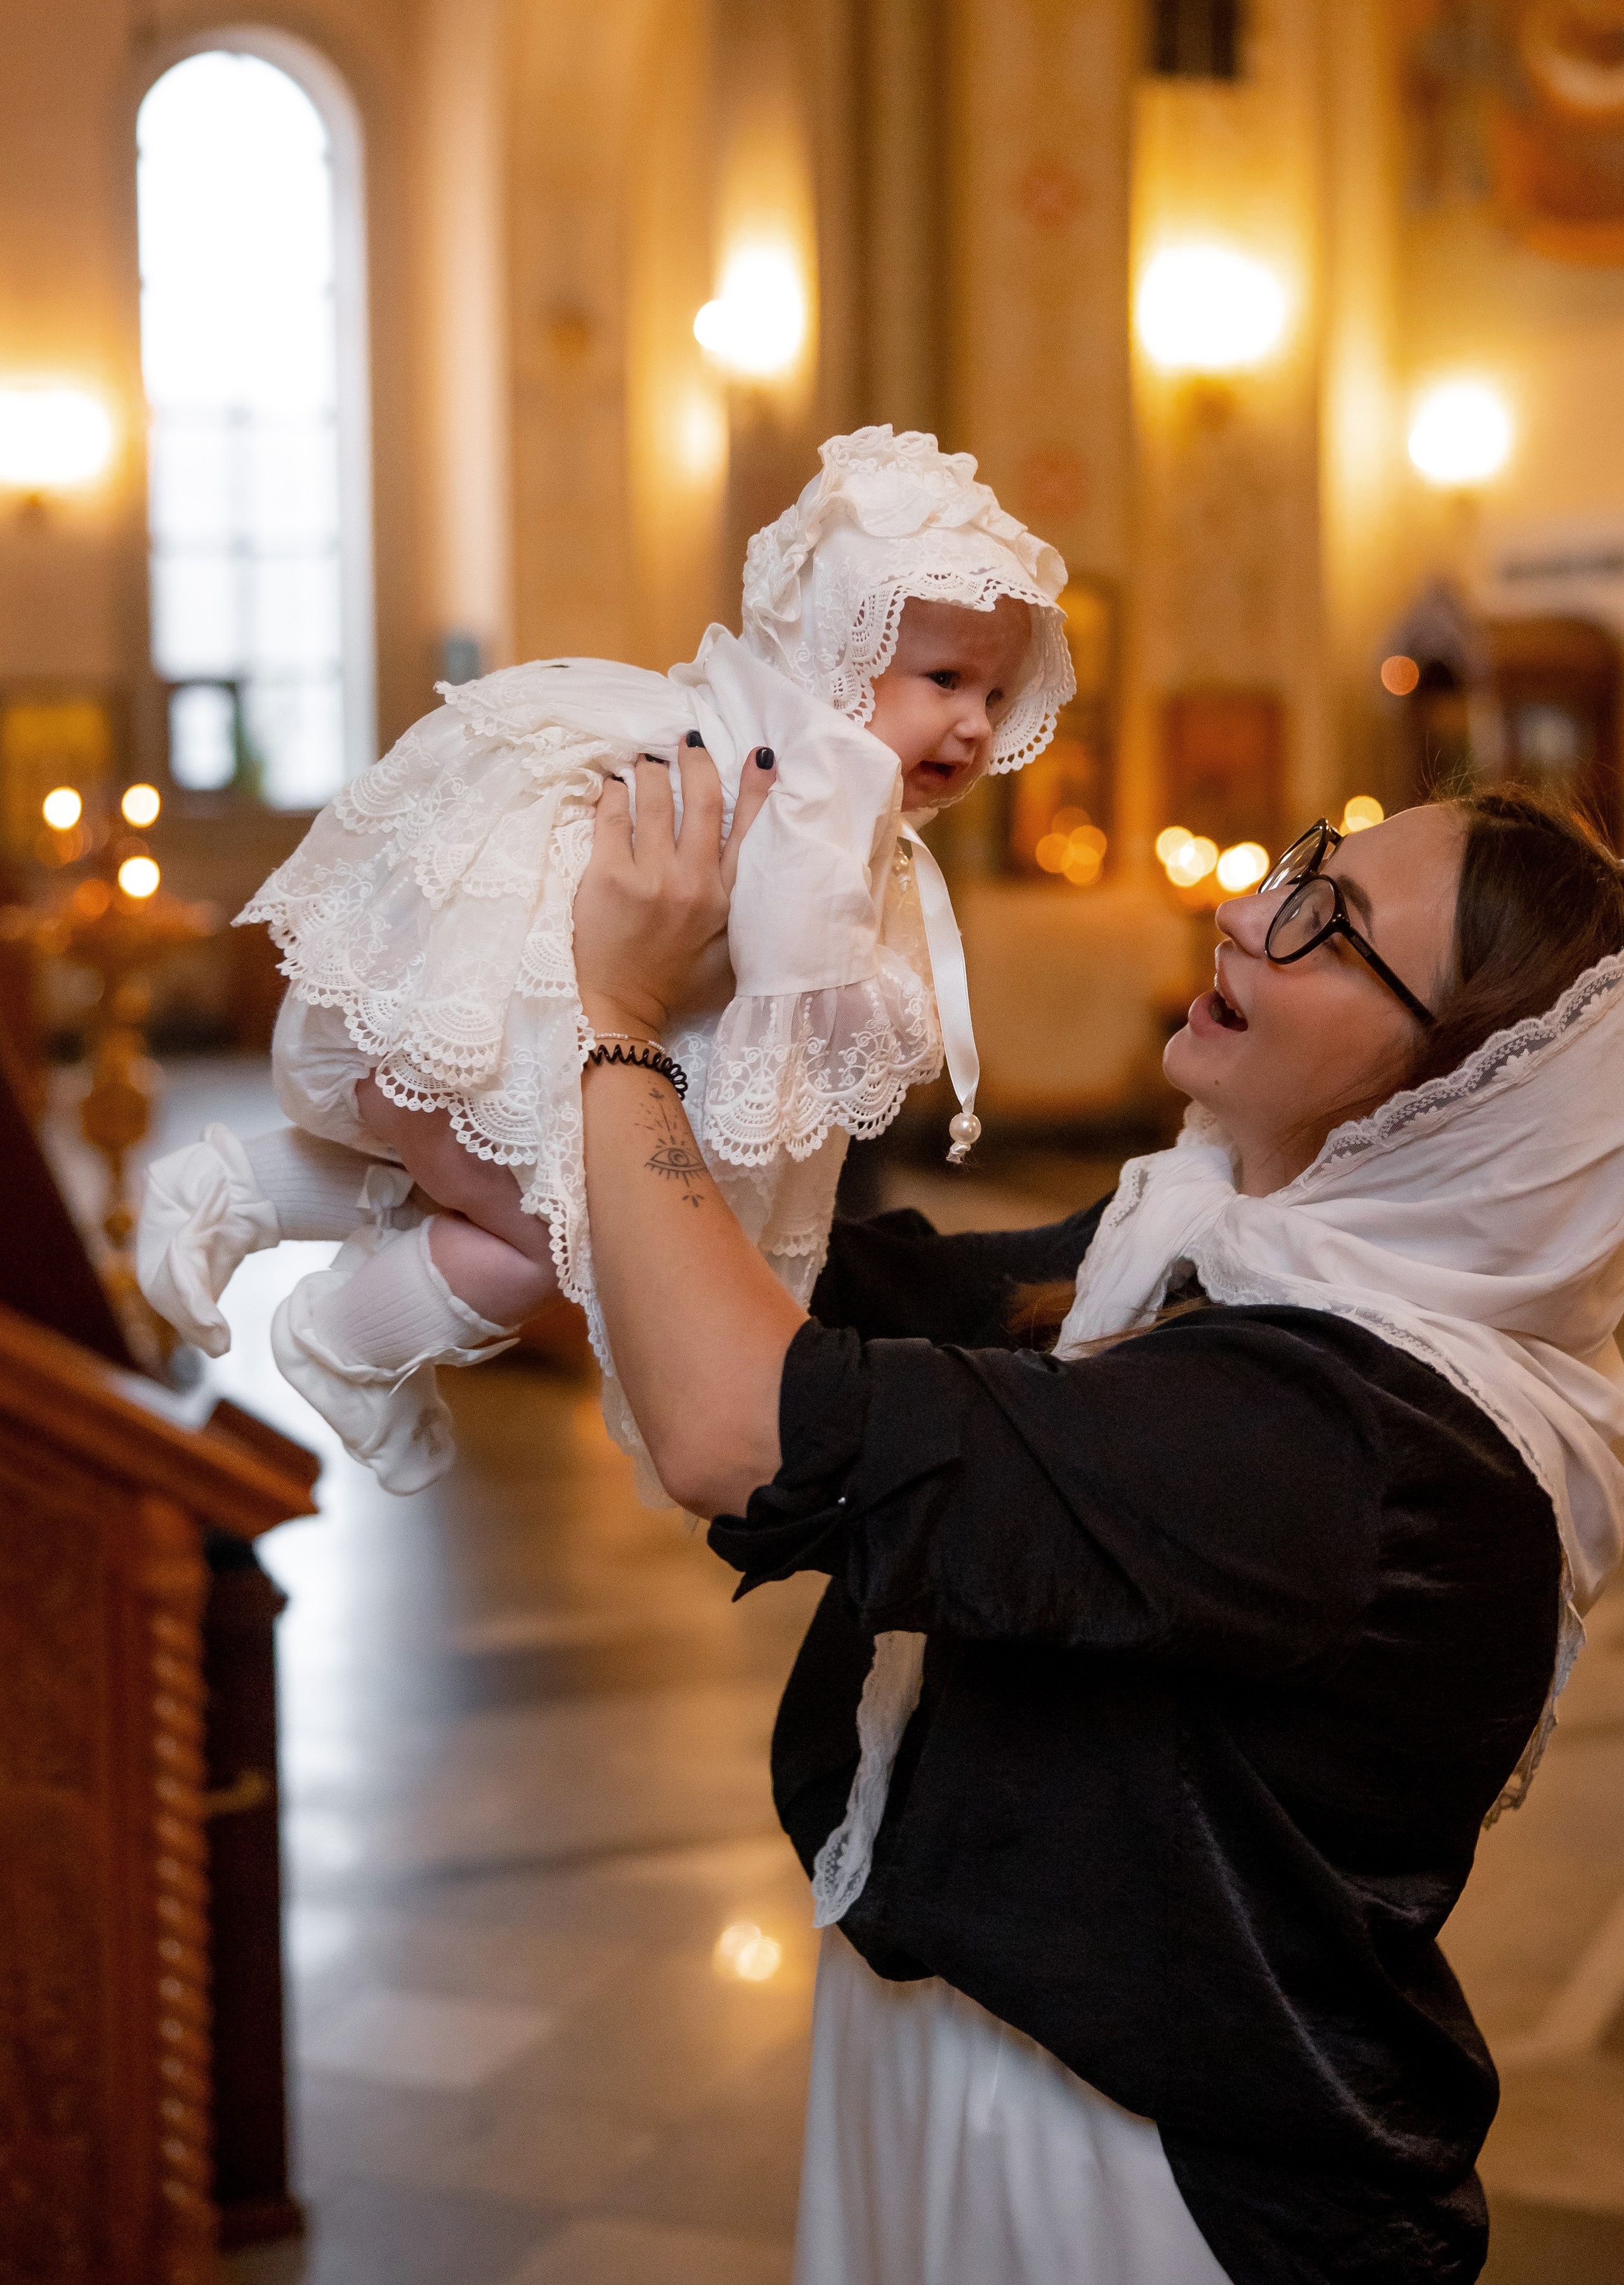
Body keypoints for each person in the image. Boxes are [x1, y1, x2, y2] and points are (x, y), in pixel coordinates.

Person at [560, 768, 1624, 2284]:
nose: (1246, 906)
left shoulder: (1355, 1436)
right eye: (1305, 854)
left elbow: (743, 1425)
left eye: (1330, 919)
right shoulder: (1215, 1240)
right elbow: (845, 1294)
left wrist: (620, 1018)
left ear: (1451, 1086)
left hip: (1151, 2176)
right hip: (967, 2062)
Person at [134, 426, 1071, 1490]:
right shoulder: (823, 783)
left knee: (456, 1164)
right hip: (520, 1022)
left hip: (447, 1020)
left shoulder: (730, 720)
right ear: (836, 652)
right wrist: (871, 1012)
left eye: (994, 698)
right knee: (575, 1237)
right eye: (944, 679)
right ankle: (349, 1343)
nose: (973, 726)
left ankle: (233, 1187)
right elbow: (799, 982)